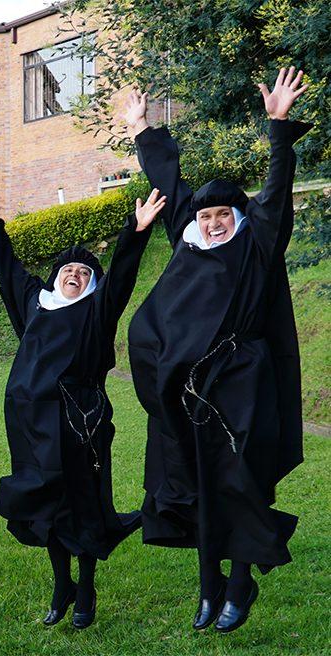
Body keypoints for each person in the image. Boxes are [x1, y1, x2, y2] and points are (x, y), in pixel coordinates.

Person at [124, 67, 309, 633]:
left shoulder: (256, 242)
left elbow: (274, 193)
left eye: (220, 215)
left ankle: (238, 586)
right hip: (193, 387)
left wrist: (277, 126)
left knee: (242, 481)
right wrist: (141, 131)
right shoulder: (188, 239)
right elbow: (170, 183)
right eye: (204, 216)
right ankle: (209, 589)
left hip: (246, 382)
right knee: (200, 482)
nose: (210, 222)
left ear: (237, 217)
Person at [0, 186, 166, 628]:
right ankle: (62, 584)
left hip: (81, 421)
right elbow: (8, 271)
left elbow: (121, 278)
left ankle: (85, 588)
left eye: (85, 272)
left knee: (82, 504)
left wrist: (134, 234)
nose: (76, 275)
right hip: (30, 423)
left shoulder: (96, 311)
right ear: (56, 275)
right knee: (47, 506)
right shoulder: (35, 305)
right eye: (69, 269)